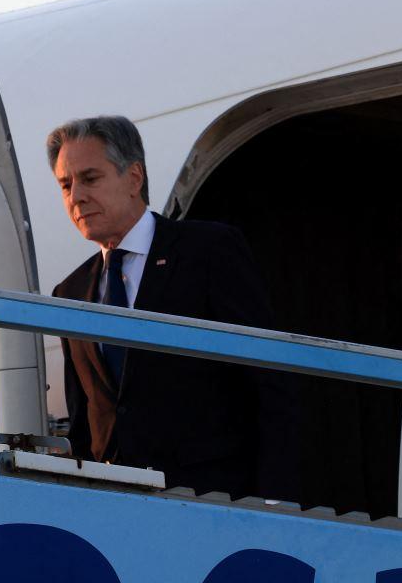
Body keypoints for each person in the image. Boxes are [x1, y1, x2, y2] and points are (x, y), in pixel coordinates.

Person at [48, 115, 300, 502]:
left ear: (134, 178)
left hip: (215, 499)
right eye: (66, 184)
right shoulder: (70, 291)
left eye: (90, 178)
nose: (75, 196)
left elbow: (268, 380)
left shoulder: (208, 252)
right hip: (120, 509)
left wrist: (274, 503)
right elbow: (85, 422)